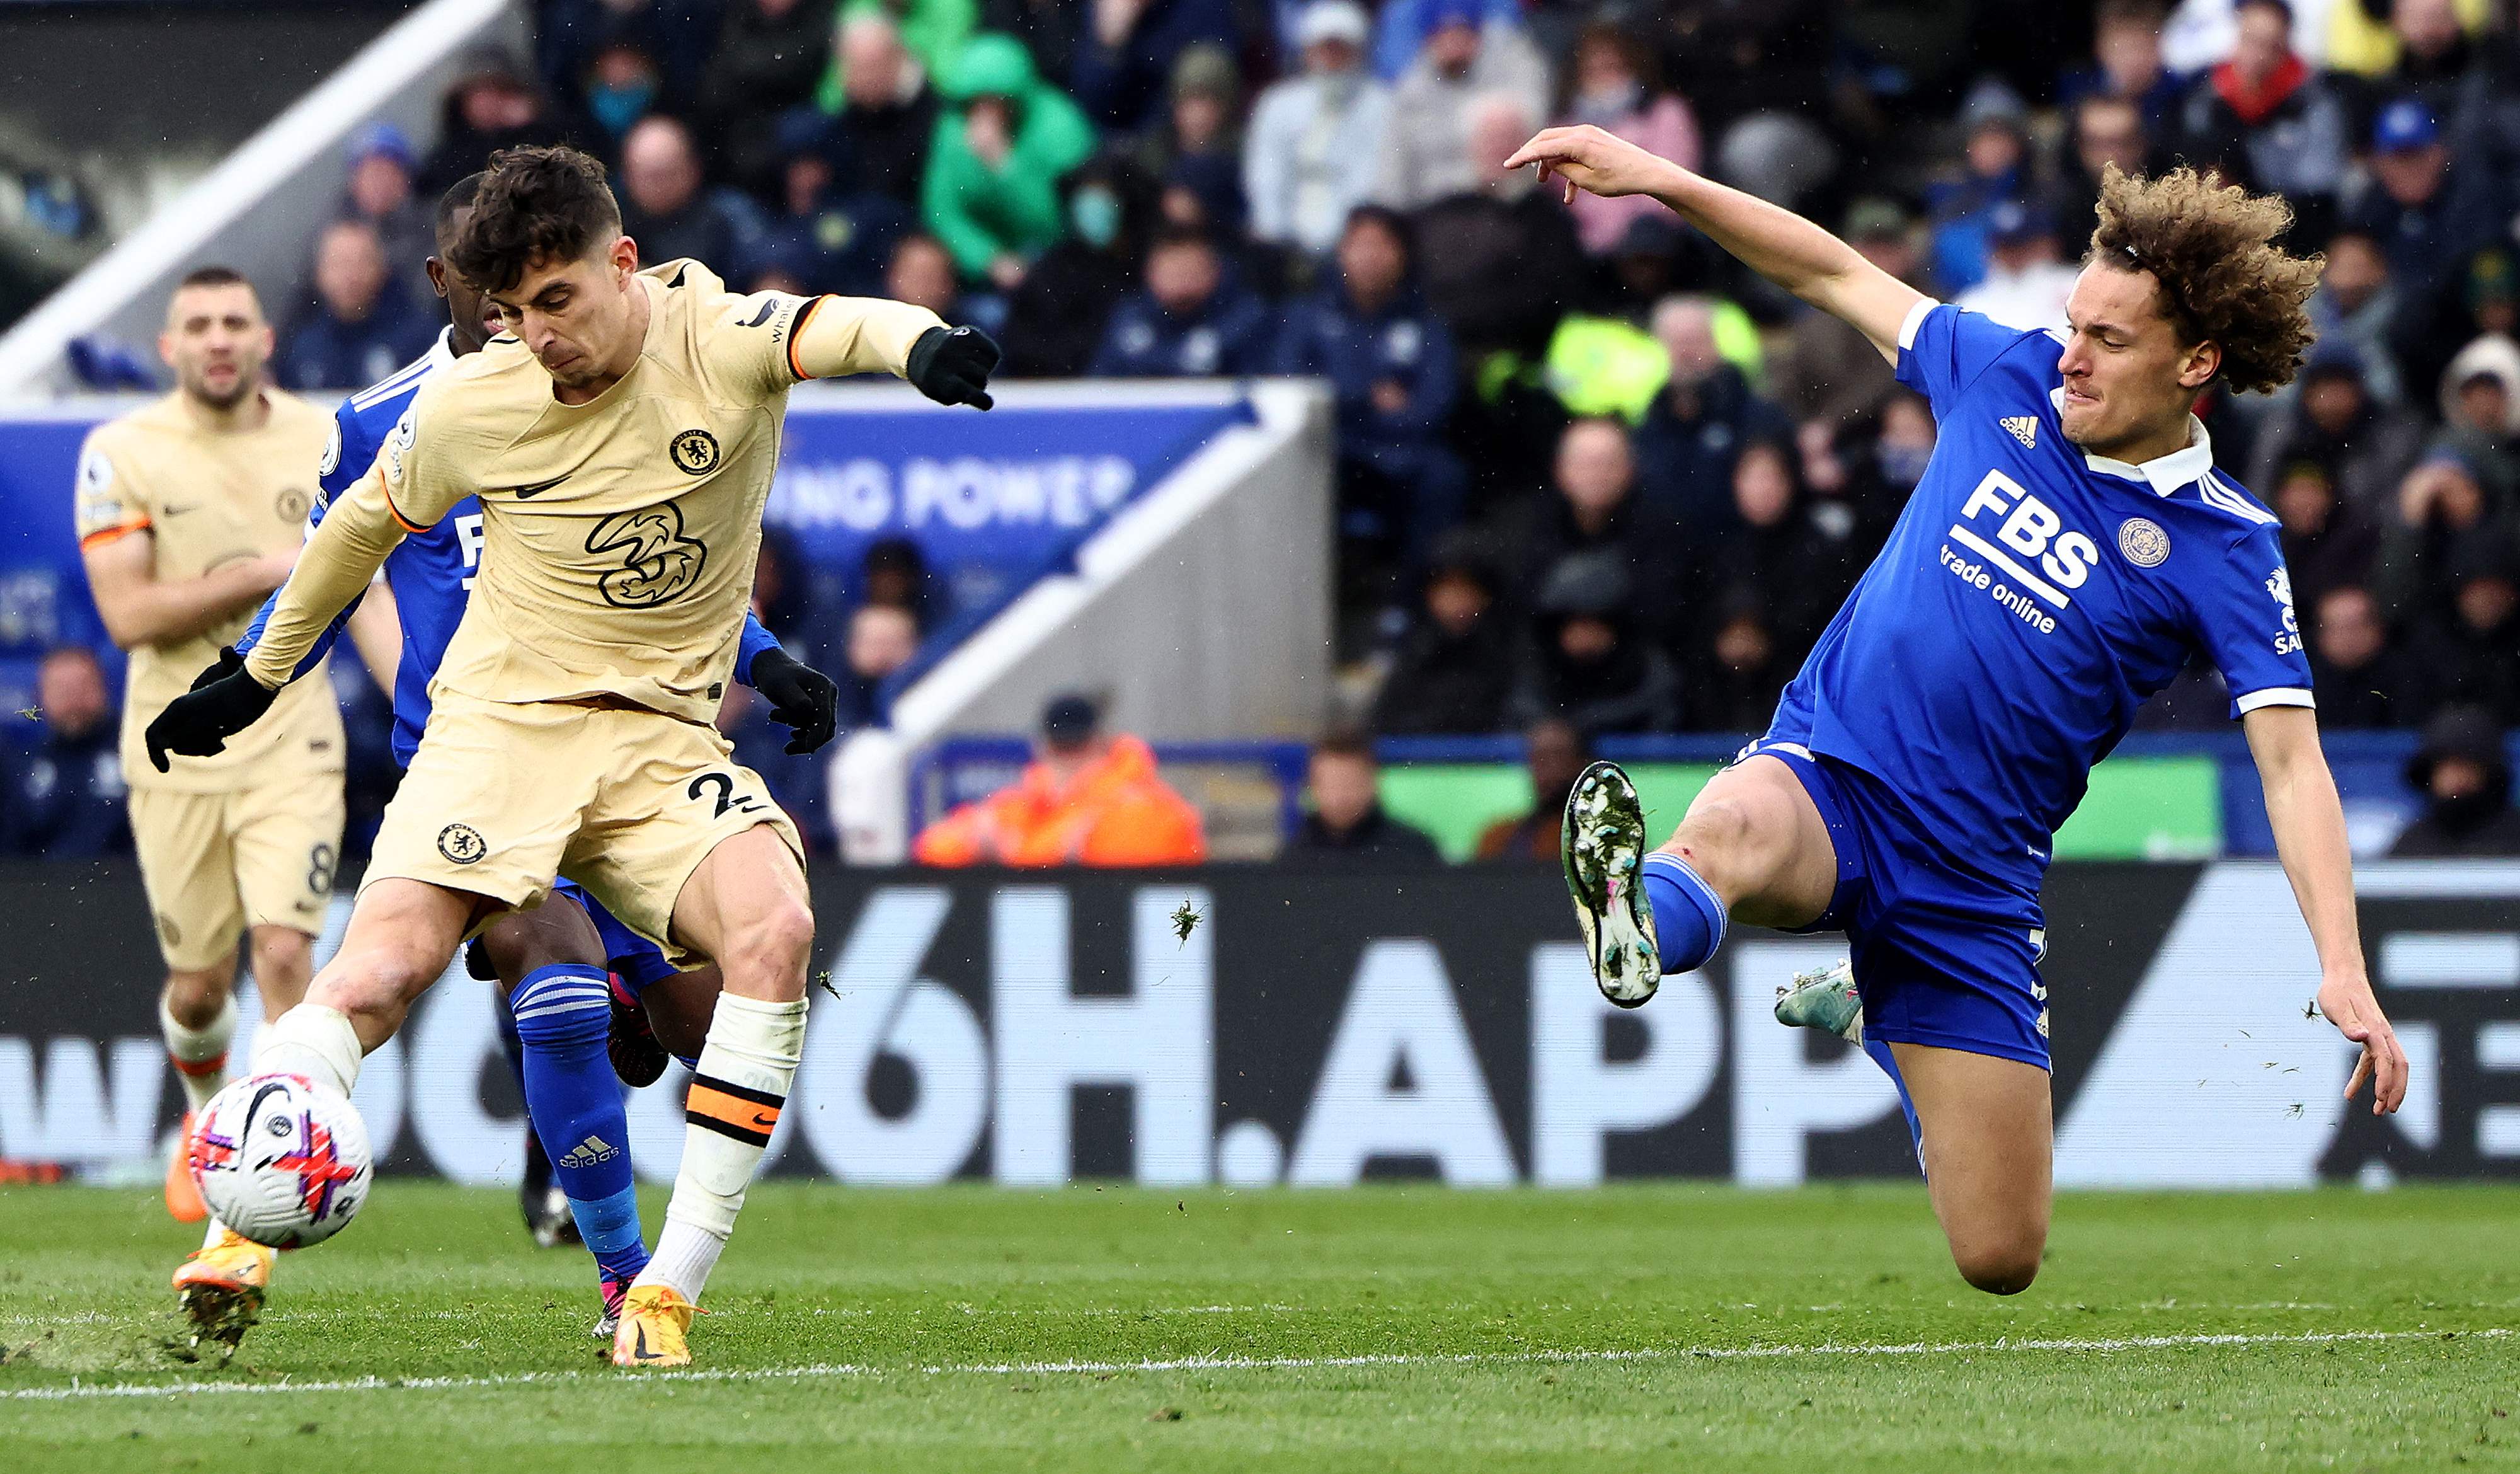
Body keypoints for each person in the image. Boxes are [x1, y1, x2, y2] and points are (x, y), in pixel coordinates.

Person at [1507, 122, 2406, 1295]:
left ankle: (1875, 999)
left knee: (2000, 1254)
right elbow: (1829, 271)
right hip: (1832, 772)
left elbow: (2294, 770)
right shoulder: (2005, 373)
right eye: (2075, 324)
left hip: (1973, 884)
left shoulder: (2228, 549)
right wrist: (1664, 179)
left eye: (2106, 339)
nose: (2070, 355)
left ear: (2196, 363)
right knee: (1725, 832)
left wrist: (2341, 960)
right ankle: (1636, 915)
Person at [146, 144, 1000, 1369]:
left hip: (657, 741)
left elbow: (834, 325)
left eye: (556, 302)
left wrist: (921, 344)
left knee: (771, 937)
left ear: (622, 262)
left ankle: (663, 1295)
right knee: (375, 976)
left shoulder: (715, 329)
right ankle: (248, 1213)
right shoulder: (461, 405)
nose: (538, 337)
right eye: (511, 314)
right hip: (494, 730)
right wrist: (256, 674)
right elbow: (350, 534)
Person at [72, 267, 376, 1239]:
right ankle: (206, 1112)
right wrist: (273, 571)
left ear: (265, 339)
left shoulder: (324, 441)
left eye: (235, 321)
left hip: (295, 733)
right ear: (169, 347)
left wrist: (431, 704)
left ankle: (244, 1224)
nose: (217, 338)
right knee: (199, 987)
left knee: (286, 951)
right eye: (197, 324)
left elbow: (360, 584)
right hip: (174, 747)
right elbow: (128, 614)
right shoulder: (122, 450)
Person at [1273, 206, 1463, 582]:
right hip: (1331, 450)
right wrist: (1364, 396)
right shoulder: (1305, 317)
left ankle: (1410, 603)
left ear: (1402, 254)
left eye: (1382, 246)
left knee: (1444, 477)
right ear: (1341, 251)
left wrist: (1355, 409)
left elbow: (1434, 405)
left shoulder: (1427, 323)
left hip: (1400, 453)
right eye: (1360, 245)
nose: (1370, 258)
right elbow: (1290, 389)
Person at [912, 693, 1206, 865]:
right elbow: (933, 848)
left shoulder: (1142, 803)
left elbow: (1124, 863)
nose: (1069, 759)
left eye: (1078, 747)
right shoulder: (1027, 801)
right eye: (1060, 747)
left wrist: (1009, 851)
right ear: (1042, 748)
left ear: (1102, 745)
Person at [922, 33, 1098, 288]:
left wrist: (1004, 165)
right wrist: (989, 258)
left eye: (996, 102)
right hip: (978, 271)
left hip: (1057, 264)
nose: (986, 115)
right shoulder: (953, 131)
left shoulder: (1060, 127)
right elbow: (942, 211)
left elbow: (1060, 222)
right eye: (977, 103)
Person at [1372, 0, 1551, 212]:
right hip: (1436, 211)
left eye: (1462, 32)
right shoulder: (1411, 93)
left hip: (1508, 204)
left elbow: (1536, 120)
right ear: (1430, 39)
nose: (1454, 43)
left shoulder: (1511, 64)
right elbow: (1393, 173)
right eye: (1445, 33)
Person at [1244, 1, 1390, 258]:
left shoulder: (1380, 106)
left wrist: (1340, 240)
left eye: (1341, 50)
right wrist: (1275, 233)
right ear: (1308, 52)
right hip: (1283, 242)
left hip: (1346, 244)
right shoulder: (1278, 104)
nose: (1332, 60)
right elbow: (1266, 175)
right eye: (1324, 49)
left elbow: (1368, 181)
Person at [1371, 533, 1516, 735]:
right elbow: (1385, 725)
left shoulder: (1510, 655)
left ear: (1486, 596)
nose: (1454, 602)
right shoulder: (1416, 655)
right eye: (1445, 589)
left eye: (1465, 589)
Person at [0, 646, 130, 859]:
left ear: (104, 689)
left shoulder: (136, 757)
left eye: (83, 688)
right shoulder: (22, 767)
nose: (73, 701)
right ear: (40, 697)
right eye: (61, 691)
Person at [1087, 226, 1271, 376]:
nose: (1181, 282)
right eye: (1171, 273)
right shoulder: (1129, 315)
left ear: (1215, 272)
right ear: (1150, 274)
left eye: (1191, 272)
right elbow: (1100, 381)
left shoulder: (1245, 316)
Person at [278, 219, 438, 391]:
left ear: (382, 269)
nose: (351, 276)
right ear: (319, 274)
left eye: (361, 262)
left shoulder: (420, 339)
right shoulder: (303, 349)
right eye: (339, 264)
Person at [1281, 728, 1441, 862]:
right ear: (1313, 787)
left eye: (1350, 784)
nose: (1341, 797)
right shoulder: (1293, 858)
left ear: (1373, 784)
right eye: (1332, 785)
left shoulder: (1412, 852)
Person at [2389, 704, 2520, 856]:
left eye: (2466, 764)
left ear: (2488, 772)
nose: (2456, 776)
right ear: (2430, 773)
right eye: (2446, 766)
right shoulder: (2413, 843)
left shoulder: (2515, 837)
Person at [616, 115, 745, 268]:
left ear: (693, 169)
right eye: (648, 177)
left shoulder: (729, 215)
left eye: (667, 174)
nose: (658, 187)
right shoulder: (614, 222)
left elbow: (765, 273)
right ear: (627, 176)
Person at [1954, 199, 2079, 335]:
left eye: (2022, 246)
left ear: (2042, 243)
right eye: (2006, 247)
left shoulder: (2073, 285)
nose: (2015, 255)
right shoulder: (1971, 302)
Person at [1472, 718, 1588, 861]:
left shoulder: (1606, 838)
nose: (1550, 770)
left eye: (1558, 756)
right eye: (1540, 759)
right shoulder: (1499, 839)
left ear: (1582, 763)